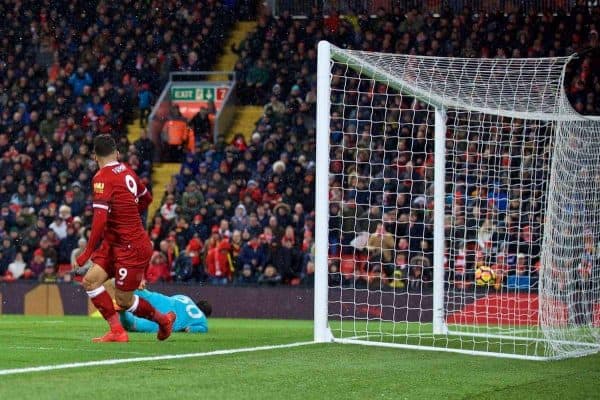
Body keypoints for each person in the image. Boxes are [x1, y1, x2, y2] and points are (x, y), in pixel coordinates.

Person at [74, 134, 175, 343]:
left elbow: (99, 221)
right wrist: (128, 213)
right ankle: (117, 331)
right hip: (116, 243)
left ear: (94, 157)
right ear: (117, 153)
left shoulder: (102, 178)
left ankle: (163, 320)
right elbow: (147, 199)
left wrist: (87, 252)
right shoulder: (127, 170)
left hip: (130, 247)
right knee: (90, 282)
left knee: (124, 300)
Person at [120, 285, 211, 333]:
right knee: (134, 324)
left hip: (164, 300)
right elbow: (192, 329)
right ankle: (122, 312)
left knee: (143, 293)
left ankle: (120, 283)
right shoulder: (202, 320)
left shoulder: (186, 298)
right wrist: (189, 328)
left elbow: (174, 298)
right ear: (206, 315)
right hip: (173, 318)